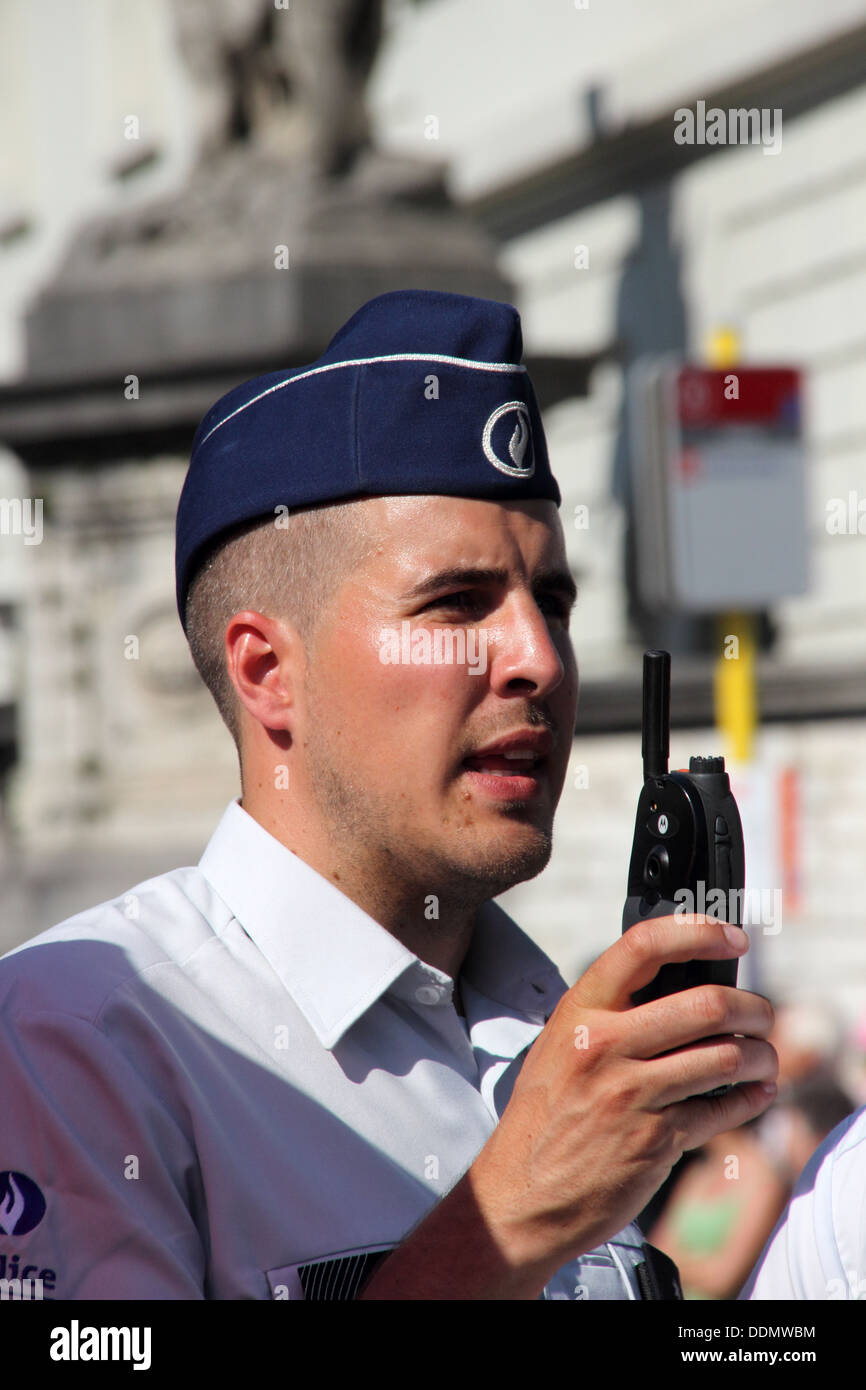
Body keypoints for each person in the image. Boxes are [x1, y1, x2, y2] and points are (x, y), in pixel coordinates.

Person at [0, 289, 778, 1301]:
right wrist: (500, 1226)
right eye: (455, 604)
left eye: (551, 601)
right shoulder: (79, 1045)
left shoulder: (554, 1035)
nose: (537, 659)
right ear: (269, 672)